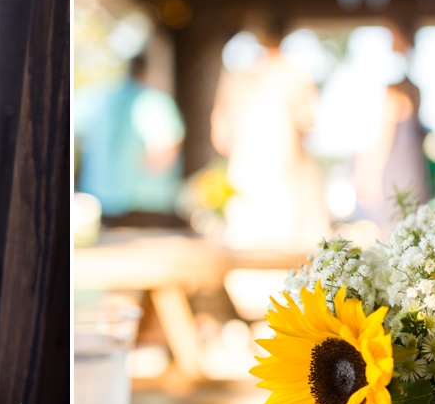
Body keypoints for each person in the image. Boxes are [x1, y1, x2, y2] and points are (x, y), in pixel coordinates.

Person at [211, 19, 322, 248]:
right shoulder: (294, 75)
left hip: (247, 176)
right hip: (285, 174)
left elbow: (220, 136)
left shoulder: (235, 79)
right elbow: (308, 122)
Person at [75, 52, 187, 218]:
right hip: (143, 208)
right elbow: (166, 149)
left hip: (100, 203)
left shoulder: (100, 99)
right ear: (148, 72)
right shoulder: (152, 100)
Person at [354, 24, 429, 223]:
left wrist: (368, 174)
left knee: (396, 222)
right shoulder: (415, 90)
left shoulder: (396, 90)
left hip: (398, 169)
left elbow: (383, 137)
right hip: (411, 166)